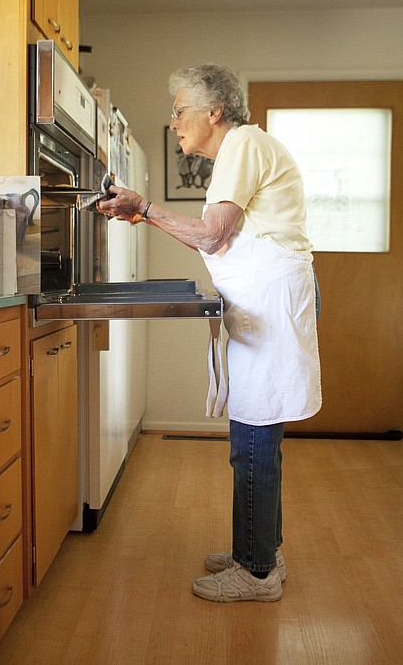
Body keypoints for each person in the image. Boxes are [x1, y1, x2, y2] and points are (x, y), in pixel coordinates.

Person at [97, 63, 322, 603]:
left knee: (253, 440)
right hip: (268, 301)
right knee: (257, 437)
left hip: (269, 303)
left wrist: (145, 208)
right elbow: (219, 235)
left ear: (213, 112)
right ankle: (260, 547)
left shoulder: (241, 143)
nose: (173, 123)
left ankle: (258, 571)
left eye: (180, 111)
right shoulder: (244, 148)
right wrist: (145, 215)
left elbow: (214, 237)